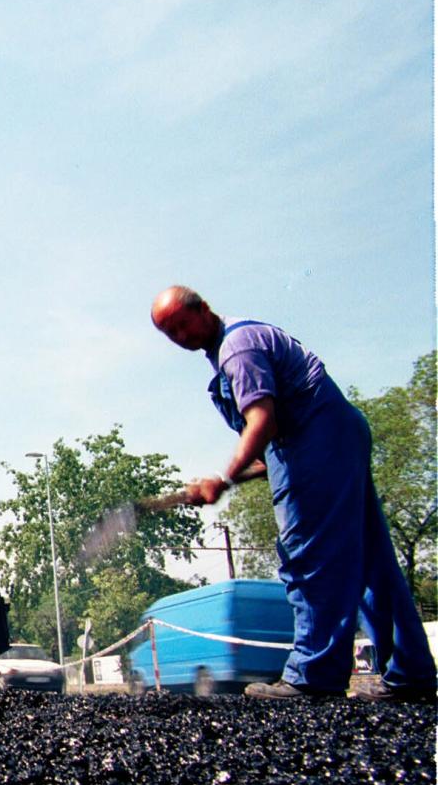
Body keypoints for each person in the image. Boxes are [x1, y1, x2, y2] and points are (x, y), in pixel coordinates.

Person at [150, 285, 436, 702]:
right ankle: (411, 673)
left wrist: (223, 477)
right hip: (334, 437)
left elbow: (262, 420)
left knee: (310, 558)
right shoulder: (237, 342)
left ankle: (313, 676)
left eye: (182, 323)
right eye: (170, 332)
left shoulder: (236, 348)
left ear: (204, 309)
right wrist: (230, 479)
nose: (180, 336)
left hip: (317, 441)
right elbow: (269, 456)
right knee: (373, 562)